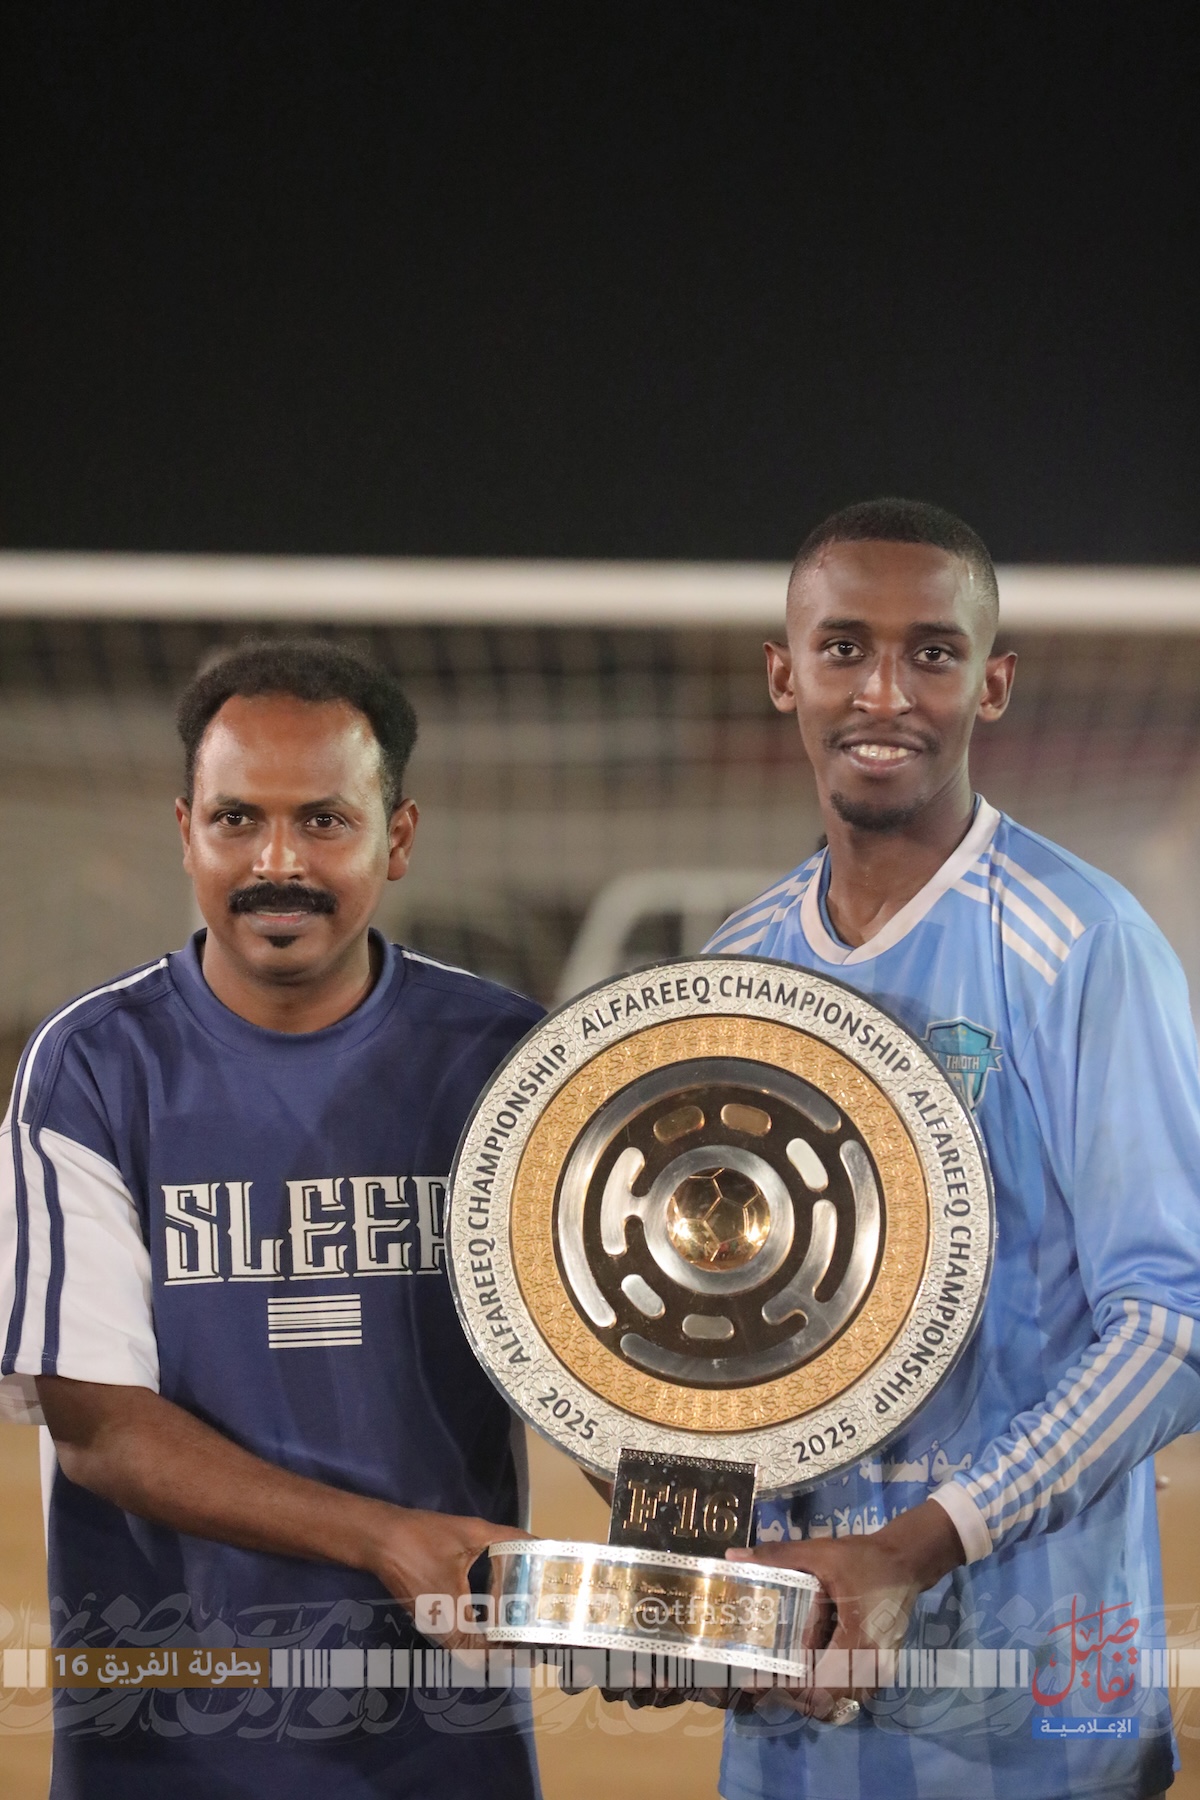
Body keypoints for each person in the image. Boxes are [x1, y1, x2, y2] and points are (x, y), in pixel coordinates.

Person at [706, 499, 1200, 1800]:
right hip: (793, 1724)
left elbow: (1174, 1320)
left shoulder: (1084, 945)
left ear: (994, 684)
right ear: (784, 673)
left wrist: (915, 1547)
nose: (884, 693)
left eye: (931, 653)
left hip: (1037, 1723)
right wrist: (700, 1566)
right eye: (844, 649)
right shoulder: (733, 969)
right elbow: (691, 1352)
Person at [0, 639, 543, 1799]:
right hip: (169, 1743)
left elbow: (604, 1362)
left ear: (398, 837)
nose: (277, 862)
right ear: (185, 830)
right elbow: (97, 1427)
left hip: (442, 1737)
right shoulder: (91, 1069)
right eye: (237, 819)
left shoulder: (509, 1061)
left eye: (325, 821)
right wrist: (382, 1536)